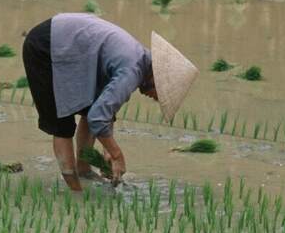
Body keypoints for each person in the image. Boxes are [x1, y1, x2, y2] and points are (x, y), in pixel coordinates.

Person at [22, 13, 198, 191]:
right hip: (45, 46)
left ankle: (83, 170)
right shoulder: (132, 70)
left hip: (70, 44)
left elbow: (103, 109)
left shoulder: (139, 57)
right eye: (158, 94)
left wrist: (107, 151)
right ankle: (76, 192)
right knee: (62, 124)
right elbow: (97, 118)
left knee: (88, 106)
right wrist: (116, 154)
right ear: (157, 80)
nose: (154, 98)